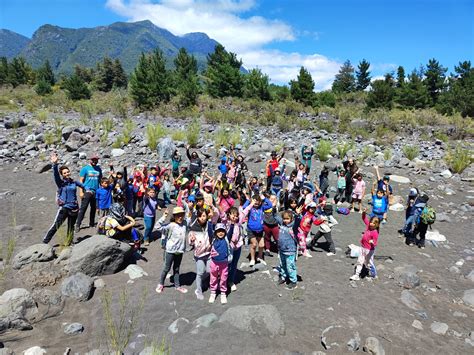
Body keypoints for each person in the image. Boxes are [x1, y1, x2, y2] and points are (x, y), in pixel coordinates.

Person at [43, 153, 85, 244]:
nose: (67, 174)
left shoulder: (74, 182)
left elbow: (83, 186)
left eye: (68, 172)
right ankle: (45, 242)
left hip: (74, 208)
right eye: (65, 173)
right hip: (64, 208)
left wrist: (90, 190)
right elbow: (55, 175)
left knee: (71, 227)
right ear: (62, 174)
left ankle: (69, 242)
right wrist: (55, 164)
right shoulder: (61, 183)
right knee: (56, 225)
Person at [155, 207, 189, 294]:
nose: (180, 217)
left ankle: (177, 286)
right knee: (166, 268)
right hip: (170, 251)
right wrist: (164, 216)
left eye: (181, 215)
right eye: (178, 215)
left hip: (179, 251)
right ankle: (160, 284)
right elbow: (157, 227)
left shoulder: (185, 223)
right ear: (174, 216)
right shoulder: (171, 225)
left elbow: (192, 217)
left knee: (176, 269)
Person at [188, 209, 214, 300]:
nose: (202, 218)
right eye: (200, 216)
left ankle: (203, 281)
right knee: (200, 273)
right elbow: (190, 242)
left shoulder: (209, 225)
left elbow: (213, 233)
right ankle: (198, 290)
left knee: (209, 271)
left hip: (208, 253)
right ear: (197, 217)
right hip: (199, 255)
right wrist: (191, 240)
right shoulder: (193, 228)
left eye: (204, 216)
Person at [241, 194, 272, 266]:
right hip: (251, 229)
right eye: (255, 203)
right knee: (254, 244)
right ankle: (252, 259)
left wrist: (265, 199)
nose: (256, 205)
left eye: (258, 203)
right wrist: (249, 201)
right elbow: (244, 207)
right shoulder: (250, 208)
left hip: (260, 229)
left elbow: (270, 205)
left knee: (261, 245)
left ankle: (260, 257)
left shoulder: (262, 207)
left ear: (260, 202)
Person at [350, 208, 379, 281]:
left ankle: (373, 274)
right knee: (360, 261)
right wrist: (364, 212)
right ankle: (356, 275)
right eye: (371, 222)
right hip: (362, 248)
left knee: (369, 263)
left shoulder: (375, 232)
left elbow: (375, 243)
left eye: (374, 223)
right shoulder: (368, 226)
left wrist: (372, 242)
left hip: (369, 250)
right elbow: (363, 218)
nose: (371, 224)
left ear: (376, 225)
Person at [75, 154, 102, 232]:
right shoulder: (85, 169)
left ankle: (92, 223)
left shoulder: (98, 169)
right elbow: (81, 181)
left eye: (96, 160)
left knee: (93, 208)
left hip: (96, 190)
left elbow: (100, 180)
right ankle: (78, 224)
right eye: (93, 160)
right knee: (83, 207)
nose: (94, 161)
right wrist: (81, 192)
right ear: (90, 160)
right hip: (87, 190)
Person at [209, 223, 231, 304]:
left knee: (223, 278)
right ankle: (213, 292)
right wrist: (210, 221)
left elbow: (230, 232)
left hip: (224, 263)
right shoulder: (213, 239)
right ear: (215, 232)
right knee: (213, 278)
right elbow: (209, 230)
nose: (220, 233)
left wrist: (231, 224)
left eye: (222, 231)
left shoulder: (226, 239)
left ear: (225, 232)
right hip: (214, 262)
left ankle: (223, 293)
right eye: (218, 231)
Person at [276, 210, 298, 290]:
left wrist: (297, 214)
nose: (285, 220)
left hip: (290, 251)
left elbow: (297, 221)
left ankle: (293, 281)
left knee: (290, 266)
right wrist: (274, 207)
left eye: (287, 219)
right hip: (282, 250)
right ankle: (283, 276)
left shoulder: (293, 227)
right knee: (282, 264)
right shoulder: (282, 224)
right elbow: (275, 216)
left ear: (291, 219)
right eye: (284, 219)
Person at [226, 207, 244, 292]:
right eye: (233, 215)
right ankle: (223, 281)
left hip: (238, 246)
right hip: (229, 247)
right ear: (229, 215)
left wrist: (250, 202)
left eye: (236, 215)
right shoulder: (225, 223)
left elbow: (246, 210)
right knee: (228, 265)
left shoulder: (239, 223)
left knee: (234, 265)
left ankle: (231, 281)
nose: (235, 217)